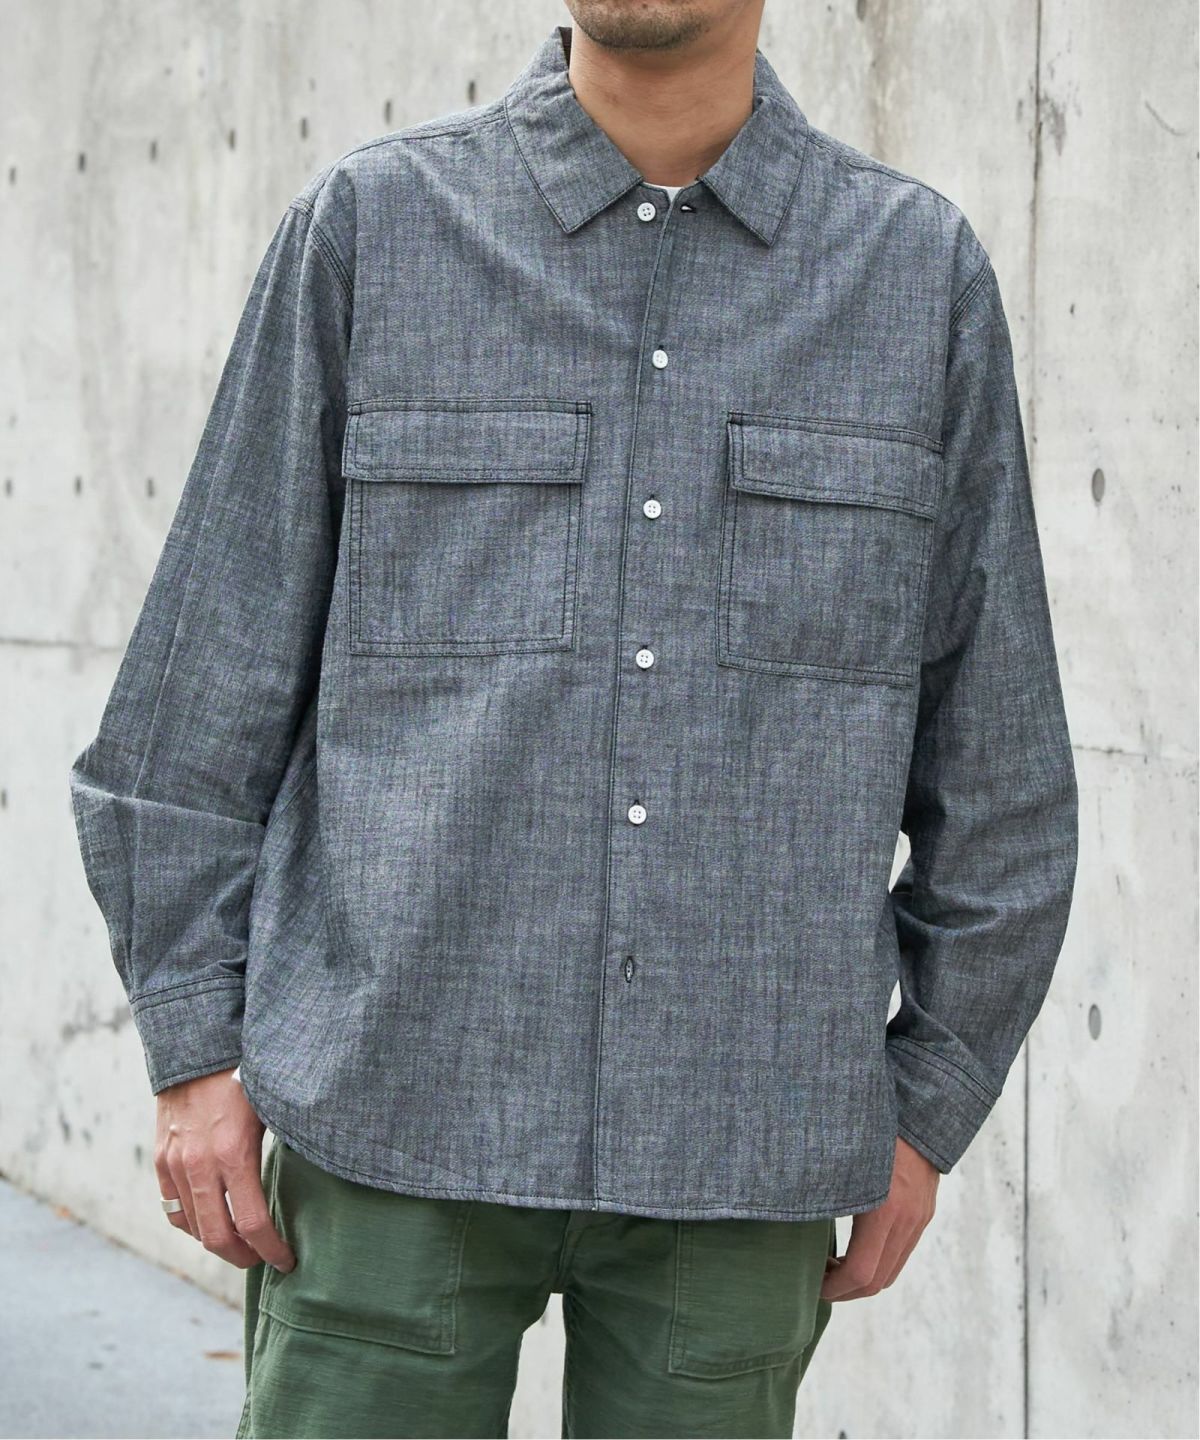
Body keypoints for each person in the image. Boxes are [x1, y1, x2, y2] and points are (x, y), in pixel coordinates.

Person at [67, 2, 1079, 1436]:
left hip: (741, 1151)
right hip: (387, 1122)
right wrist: (191, 1052)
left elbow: (1003, 773)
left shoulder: (914, 277)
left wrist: (929, 1104)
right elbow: (191, 703)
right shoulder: (374, 232)